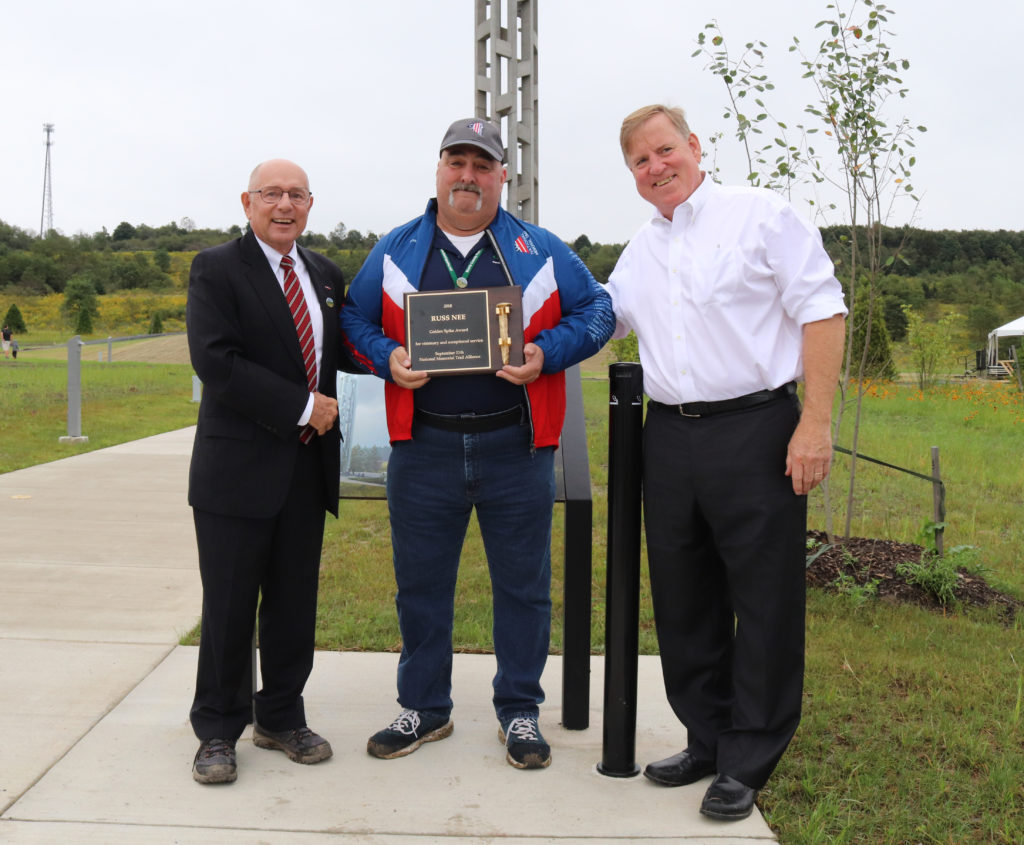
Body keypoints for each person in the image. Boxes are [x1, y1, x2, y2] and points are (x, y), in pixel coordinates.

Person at [342, 118, 614, 770]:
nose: (468, 175)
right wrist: (387, 357)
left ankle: (519, 710)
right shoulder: (397, 249)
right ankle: (425, 707)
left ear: (501, 176)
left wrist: (546, 353)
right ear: (438, 169)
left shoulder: (538, 248)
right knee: (420, 586)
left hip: (515, 448)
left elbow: (598, 310)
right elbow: (350, 319)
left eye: (482, 164)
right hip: (424, 447)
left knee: (522, 588)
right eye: (456, 161)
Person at [606, 105, 847, 820]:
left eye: (665, 149)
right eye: (641, 162)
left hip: (757, 428)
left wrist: (816, 421)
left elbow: (823, 310)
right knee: (683, 597)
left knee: (764, 599)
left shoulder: (761, 217)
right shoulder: (639, 252)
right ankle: (706, 738)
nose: (657, 166)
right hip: (670, 437)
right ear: (633, 176)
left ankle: (749, 757)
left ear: (695, 145)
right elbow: (598, 317)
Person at [186, 159, 345, 784]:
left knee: (292, 603)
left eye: (296, 195)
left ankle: (280, 716)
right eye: (271, 194)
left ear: (311, 204)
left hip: (305, 472)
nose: (285, 205)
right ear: (247, 203)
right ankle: (217, 731)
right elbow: (215, 362)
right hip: (236, 471)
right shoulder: (217, 268)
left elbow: (350, 347)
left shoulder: (327, 275)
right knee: (228, 606)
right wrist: (304, 406)